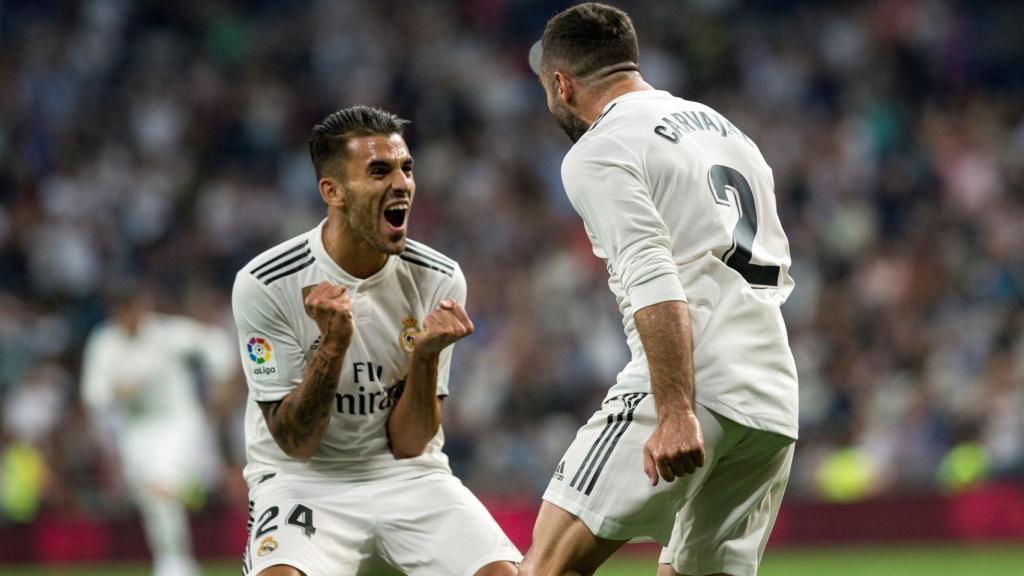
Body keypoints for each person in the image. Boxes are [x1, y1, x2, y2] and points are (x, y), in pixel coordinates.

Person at [521, 4, 798, 576]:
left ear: (561, 84)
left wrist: (674, 409)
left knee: (550, 565)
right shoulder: (729, 133)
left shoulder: (600, 147)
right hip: (771, 393)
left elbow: (652, 271)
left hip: (691, 383)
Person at [231, 105, 521, 576]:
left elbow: (410, 444)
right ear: (333, 192)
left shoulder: (438, 277)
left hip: (407, 477)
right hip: (303, 481)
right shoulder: (266, 283)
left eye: (406, 168)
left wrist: (426, 357)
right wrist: (331, 347)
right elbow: (294, 442)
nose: (402, 183)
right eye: (379, 171)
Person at [82, 285, 237, 576]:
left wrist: (220, 379)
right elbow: (94, 392)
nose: (131, 317)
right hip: (135, 431)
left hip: (178, 422)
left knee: (160, 482)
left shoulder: (167, 333)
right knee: (150, 497)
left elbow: (216, 344)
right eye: (123, 311)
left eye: (135, 308)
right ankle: (173, 559)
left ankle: (198, 491)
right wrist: (117, 389)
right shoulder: (104, 343)